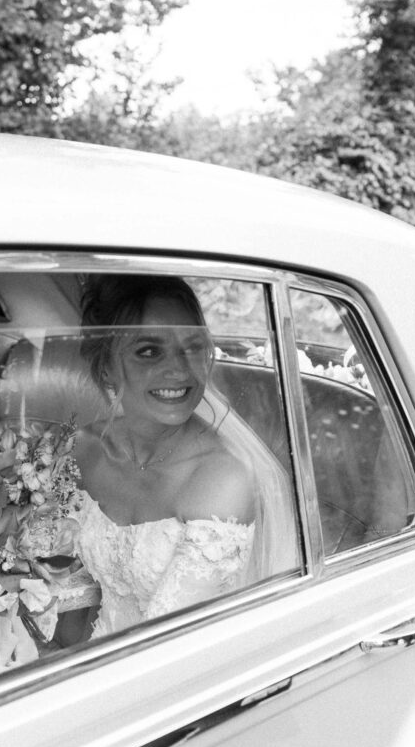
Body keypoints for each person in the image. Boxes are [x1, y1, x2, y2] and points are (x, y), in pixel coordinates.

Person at [62, 273, 296, 642]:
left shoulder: (221, 480)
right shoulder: (86, 448)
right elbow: (81, 581)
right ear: (106, 365)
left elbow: (162, 651)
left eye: (192, 347)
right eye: (149, 351)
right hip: (89, 658)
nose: (179, 370)